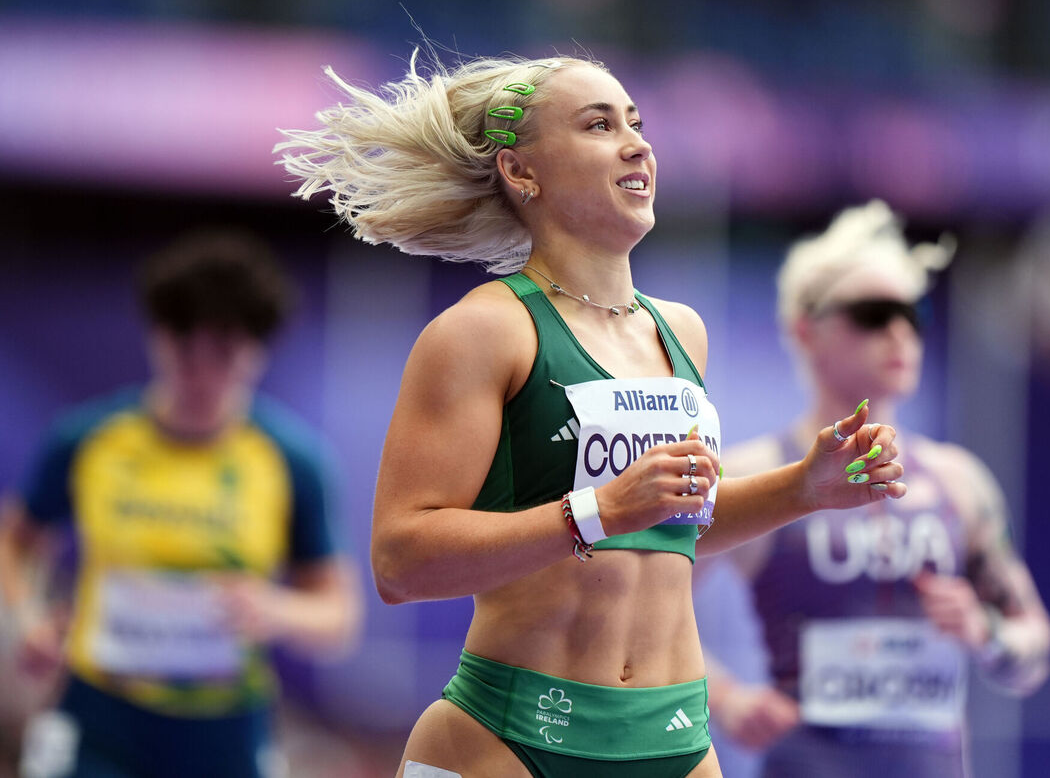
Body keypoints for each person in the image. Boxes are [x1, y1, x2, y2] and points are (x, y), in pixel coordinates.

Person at [275, 51, 906, 778]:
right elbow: (400, 562)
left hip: (674, 741)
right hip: (509, 739)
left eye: (636, 123)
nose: (637, 143)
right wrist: (596, 510)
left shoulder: (681, 333)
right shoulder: (483, 332)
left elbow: (674, 528)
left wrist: (802, 488)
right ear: (522, 172)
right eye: (599, 125)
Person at [700, 201, 1050, 777]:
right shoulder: (757, 473)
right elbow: (647, 608)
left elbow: (1032, 644)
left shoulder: (959, 482)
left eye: (912, 314)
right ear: (805, 329)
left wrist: (984, 631)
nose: (898, 334)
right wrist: (725, 698)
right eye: (872, 314)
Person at [0, 229, 362, 778]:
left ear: (257, 351)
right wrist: (26, 619)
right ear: (155, 337)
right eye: (181, 344)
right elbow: (17, 540)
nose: (199, 371)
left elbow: (338, 616)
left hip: (225, 730)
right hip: (100, 717)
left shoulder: (290, 460)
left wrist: (274, 610)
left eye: (223, 350)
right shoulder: (89, 438)